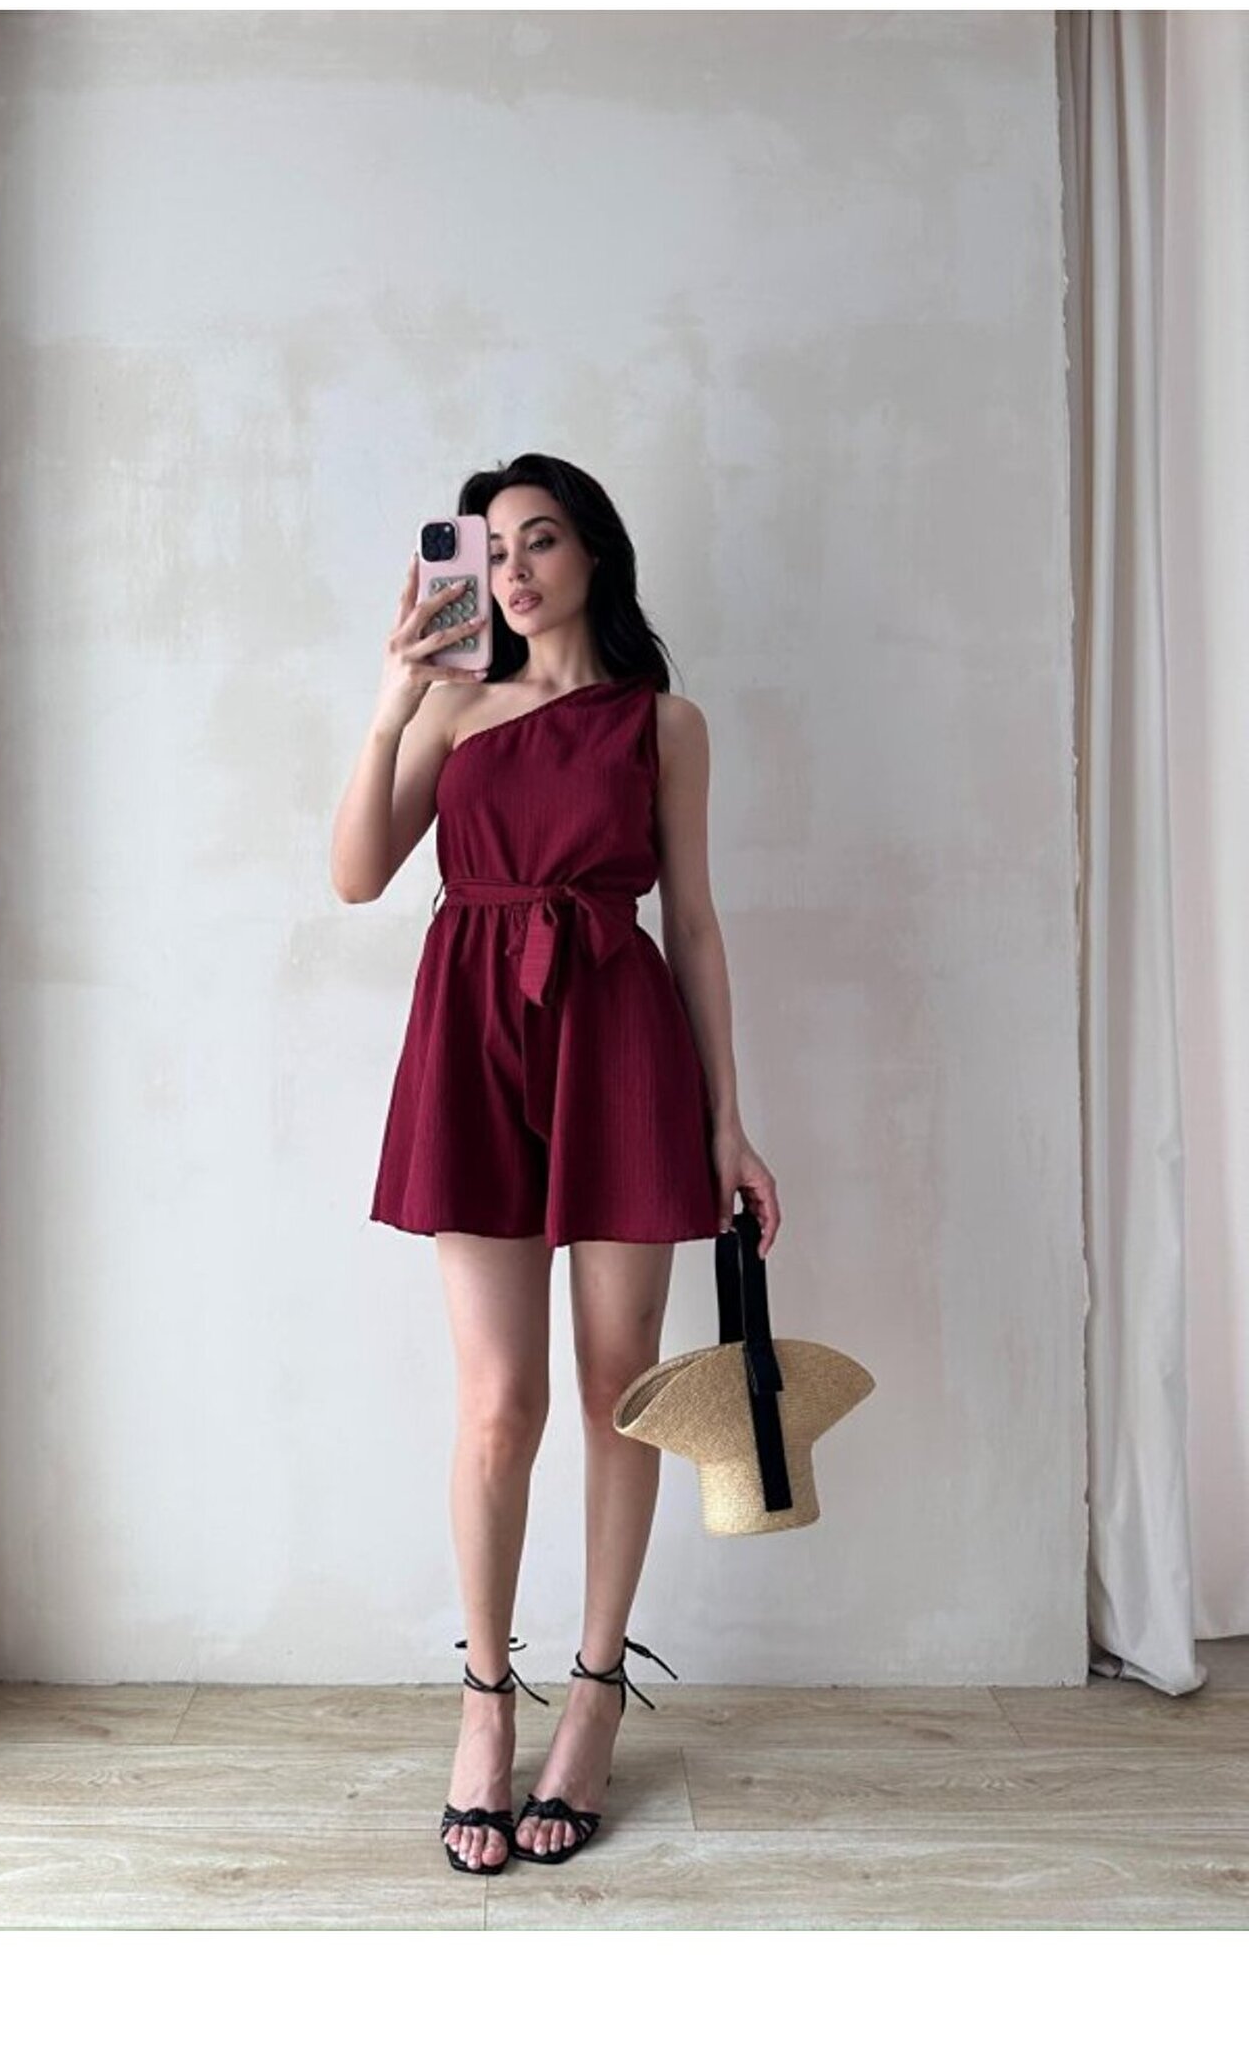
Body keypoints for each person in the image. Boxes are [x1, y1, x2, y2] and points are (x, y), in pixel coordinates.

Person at [330, 453, 779, 1873]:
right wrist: (395, 696)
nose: (513, 569)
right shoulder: (452, 710)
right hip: (474, 1036)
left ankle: (594, 1695)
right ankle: (484, 1703)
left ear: (594, 556)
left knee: (618, 1392)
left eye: (540, 540)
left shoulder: (665, 723)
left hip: (619, 1033)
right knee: (497, 1404)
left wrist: (728, 1122)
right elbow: (356, 873)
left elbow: (692, 921)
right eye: (492, 549)